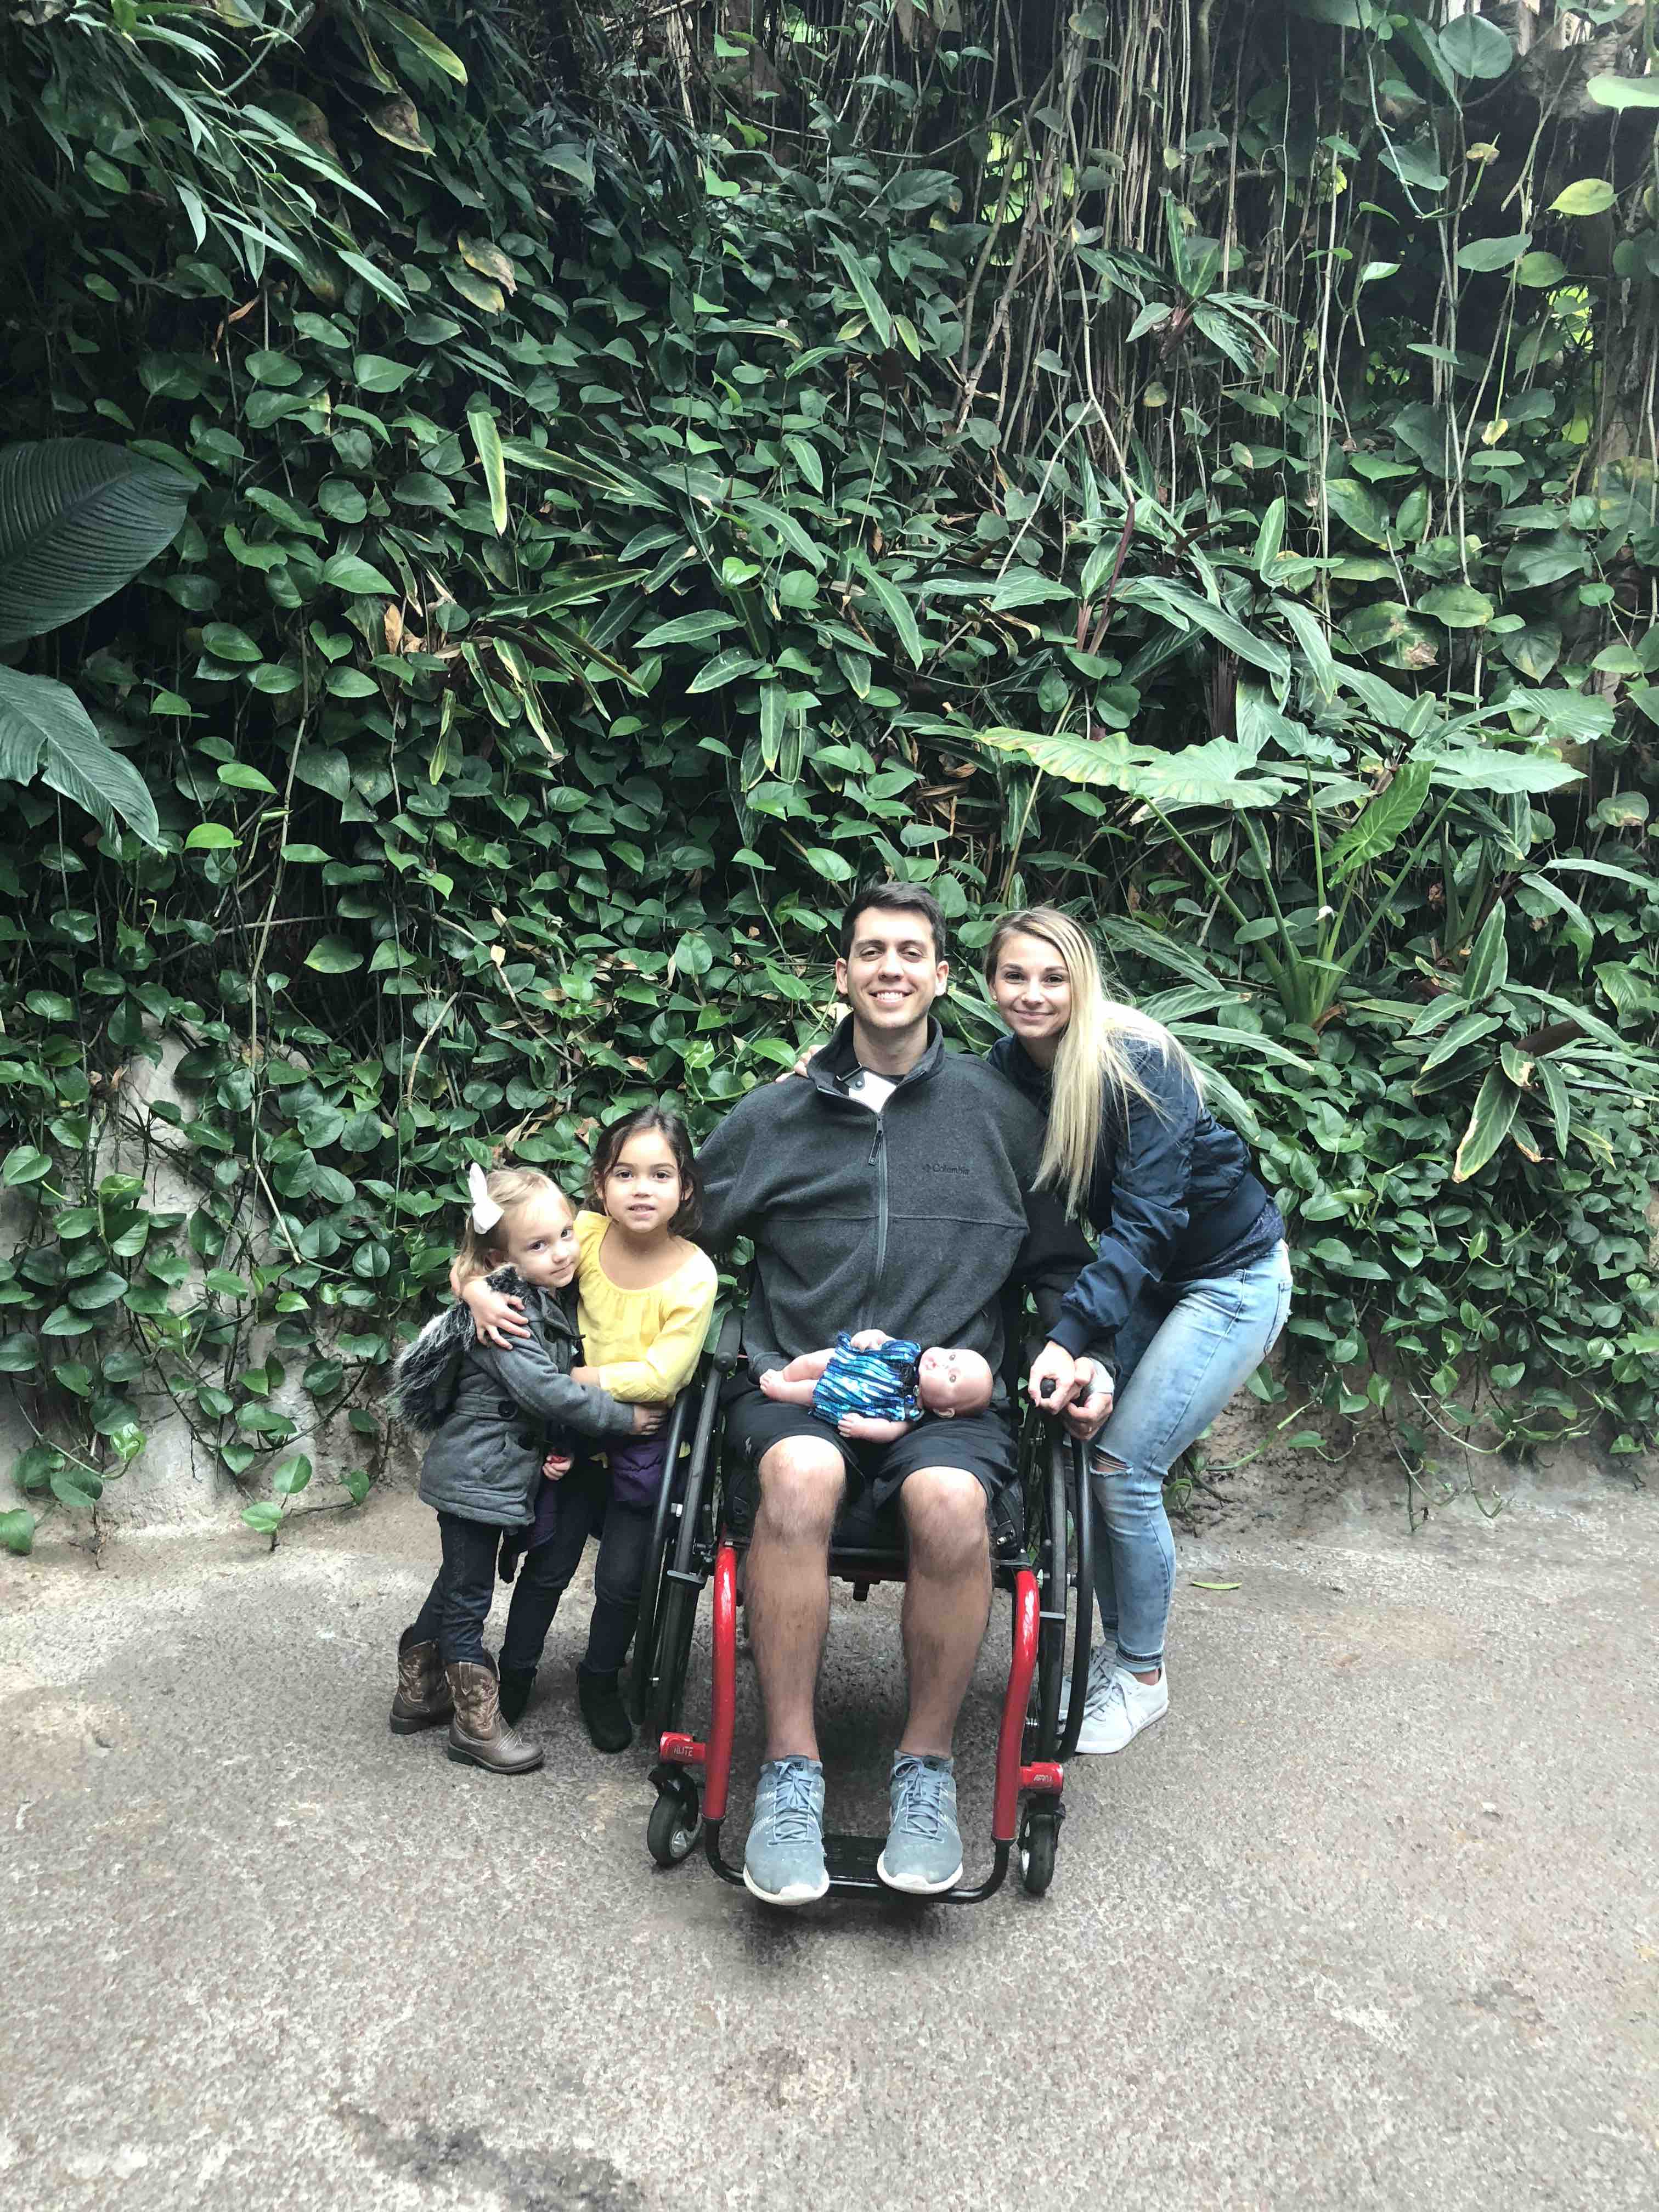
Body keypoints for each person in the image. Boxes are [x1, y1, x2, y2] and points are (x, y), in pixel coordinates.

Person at [696, 881, 1105, 1906]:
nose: (890, 968)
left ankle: (924, 1774)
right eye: (871, 951)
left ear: (942, 977)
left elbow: (1060, 1267)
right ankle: (788, 1775)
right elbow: (670, 1236)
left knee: (952, 1500)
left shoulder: (1000, 1116)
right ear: (840, 975)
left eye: (910, 952)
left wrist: (1076, 1354)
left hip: (946, 1399)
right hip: (801, 1386)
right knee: (797, 1473)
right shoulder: (773, 1116)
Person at [984, 907, 1293, 1754]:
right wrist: (827, 1072)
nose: (1033, 993)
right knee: (1090, 1446)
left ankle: (1143, 1676)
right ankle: (1118, 1654)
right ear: (991, 983)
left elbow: (1148, 1222)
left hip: (1230, 1279)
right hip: (1147, 1284)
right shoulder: (1010, 1069)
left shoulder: (1138, 1059)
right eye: (1015, 976)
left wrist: (1075, 1336)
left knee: (1124, 1467)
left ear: (1083, 982)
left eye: (1054, 977)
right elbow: (933, 1094)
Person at [452, 1110, 717, 1753]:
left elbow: (663, 1375)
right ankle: (515, 1672)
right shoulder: (583, 1238)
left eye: (661, 1175)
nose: (642, 1189)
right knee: (548, 1565)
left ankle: (600, 1678)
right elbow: (493, 1249)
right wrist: (475, 1291)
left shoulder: (695, 1273)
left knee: (622, 1581)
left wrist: (575, 1377)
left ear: (685, 1188)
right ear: (600, 1184)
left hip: (644, 1440)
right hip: (569, 1436)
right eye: (625, 1174)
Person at [390, 1165, 659, 1775]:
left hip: (489, 1476)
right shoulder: (507, 1313)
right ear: (500, 1259)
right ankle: (475, 1726)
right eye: (538, 1245)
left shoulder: (532, 1292)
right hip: (476, 1479)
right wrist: (625, 1419)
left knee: (456, 1580)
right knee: (469, 1599)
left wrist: (551, 1450)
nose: (561, 1252)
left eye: (565, 1235)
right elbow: (547, 1390)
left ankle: (416, 1693)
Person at [760, 1330, 995, 1442]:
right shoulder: (910, 1352)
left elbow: (890, 1431)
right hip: (849, 1360)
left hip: (844, 1393)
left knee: (813, 1392)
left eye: (952, 1378)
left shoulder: (909, 1412)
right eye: (952, 1357)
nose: (943, 1364)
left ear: (944, 1411)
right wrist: (871, 1337)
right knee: (812, 1362)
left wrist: (863, 1428)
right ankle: (784, 1375)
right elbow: (884, 1340)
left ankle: (782, 1391)